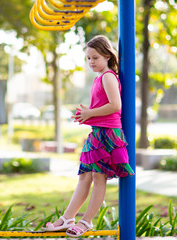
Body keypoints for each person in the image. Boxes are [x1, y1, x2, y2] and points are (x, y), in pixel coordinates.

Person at [43, 35, 134, 237]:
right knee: (84, 176)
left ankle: (87, 221)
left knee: (98, 177)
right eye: (88, 58)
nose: (91, 62)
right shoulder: (100, 77)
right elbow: (103, 106)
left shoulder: (109, 76)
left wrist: (90, 113)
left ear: (108, 56)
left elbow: (115, 106)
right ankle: (67, 218)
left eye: (95, 58)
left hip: (108, 134)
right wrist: (87, 115)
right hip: (97, 133)